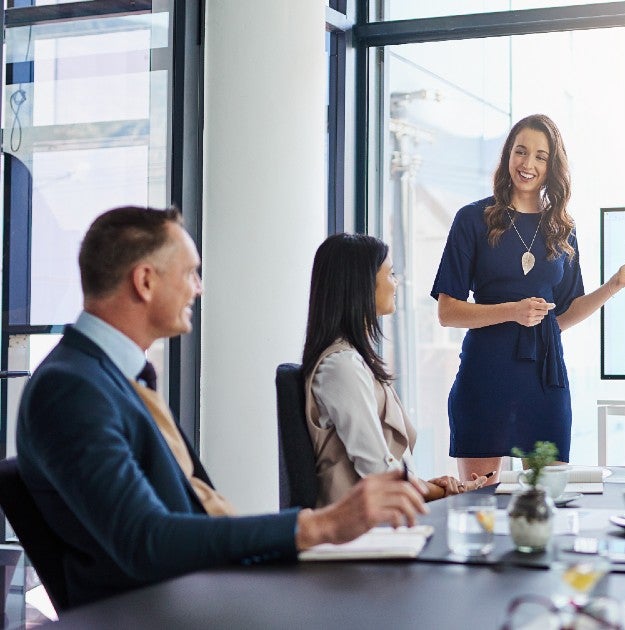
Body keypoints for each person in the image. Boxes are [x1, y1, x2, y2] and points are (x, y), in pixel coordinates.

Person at [16, 207, 429, 607]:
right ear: (145, 281)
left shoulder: (116, 376)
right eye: (189, 273)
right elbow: (145, 541)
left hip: (198, 588)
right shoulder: (71, 389)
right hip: (157, 608)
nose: (198, 288)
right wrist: (321, 525)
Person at [431, 113, 625, 481]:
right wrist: (512, 311)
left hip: (545, 379)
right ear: (508, 155)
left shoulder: (561, 228)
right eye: (520, 151)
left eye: (540, 156)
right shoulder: (472, 219)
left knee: (548, 497)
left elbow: (562, 316)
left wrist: (614, 284)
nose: (528, 164)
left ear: (552, 166)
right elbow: (447, 312)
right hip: (485, 375)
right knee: (479, 500)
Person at [302, 233, 484, 506]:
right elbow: (378, 471)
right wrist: (440, 492)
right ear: (362, 284)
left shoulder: (353, 362)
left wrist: (429, 486)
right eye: (390, 274)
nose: (396, 283)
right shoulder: (341, 367)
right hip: (362, 524)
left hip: (382, 516)